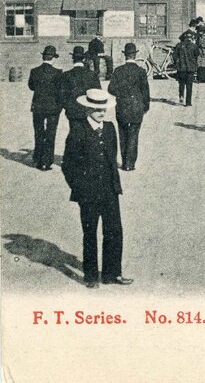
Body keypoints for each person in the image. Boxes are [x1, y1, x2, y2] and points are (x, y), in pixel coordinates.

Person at [61, 88, 132, 288]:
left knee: (114, 231)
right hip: (88, 193)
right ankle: (91, 276)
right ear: (87, 109)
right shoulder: (78, 130)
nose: (102, 112)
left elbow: (111, 159)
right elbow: (68, 164)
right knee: (90, 232)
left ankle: (112, 274)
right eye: (97, 109)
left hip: (109, 190)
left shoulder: (110, 128)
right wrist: (79, 187)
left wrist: (115, 185)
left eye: (104, 109)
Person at [106, 43, 149, 171]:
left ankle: (124, 162)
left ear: (125, 55)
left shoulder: (118, 71)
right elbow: (146, 92)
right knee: (134, 135)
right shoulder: (141, 71)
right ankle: (130, 163)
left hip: (122, 106)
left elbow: (111, 88)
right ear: (135, 55)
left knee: (123, 134)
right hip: (137, 107)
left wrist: (122, 95)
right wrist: (145, 106)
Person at [28, 45, 63, 171]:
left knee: (38, 132)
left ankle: (37, 157)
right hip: (53, 107)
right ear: (53, 58)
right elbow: (60, 91)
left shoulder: (34, 71)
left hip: (37, 106)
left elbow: (31, 87)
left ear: (43, 57)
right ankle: (46, 161)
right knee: (50, 133)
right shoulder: (58, 73)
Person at [60, 46, 101, 128]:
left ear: (73, 59)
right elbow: (98, 93)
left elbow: (61, 95)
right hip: (88, 111)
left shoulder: (66, 75)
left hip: (72, 111)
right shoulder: (92, 74)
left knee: (74, 133)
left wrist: (68, 107)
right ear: (83, 59)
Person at [173, 31, 199, 106]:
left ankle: (181, 96)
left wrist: (177, 63)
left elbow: (174, 56)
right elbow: (197, 54)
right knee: (189, 85)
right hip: (190, 68)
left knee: (181, 83)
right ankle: (188, 102)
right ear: (191, 38)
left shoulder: (178, 45)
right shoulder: (194, 46)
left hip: (181, 68)